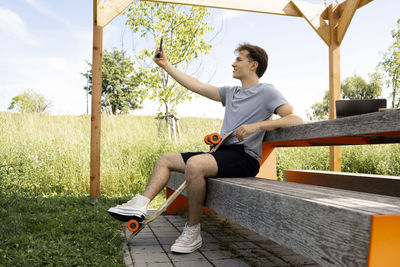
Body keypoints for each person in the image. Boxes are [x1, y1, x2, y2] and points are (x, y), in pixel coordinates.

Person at [108, 43, 303, 253]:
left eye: (239, 59)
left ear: (254, 64)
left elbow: (295, 119)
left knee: (195, 164)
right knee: (165, 159)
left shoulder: (267, 92)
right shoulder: (231, 92)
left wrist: (257, 126)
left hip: (245, 158)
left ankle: (192, 231)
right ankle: (140, 205)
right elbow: (196, 85)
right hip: (222, 153)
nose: (233, 63)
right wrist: (166, 65)